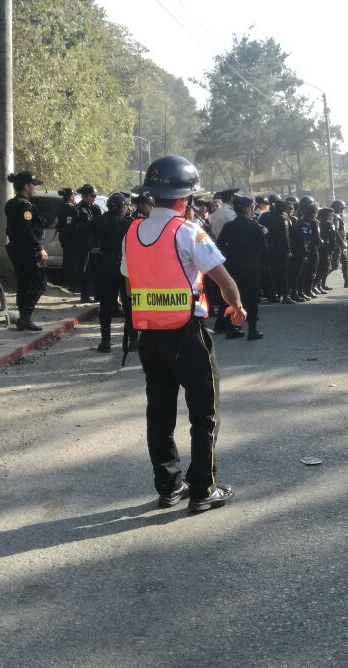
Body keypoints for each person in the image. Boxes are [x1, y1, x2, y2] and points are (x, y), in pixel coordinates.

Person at [122, 154, 246, 513]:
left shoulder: (132, 232)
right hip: (187, 335)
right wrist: (236, 306)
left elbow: (130, 287)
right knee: (203, 413)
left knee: (159, 413)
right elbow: (224, 280)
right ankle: (203, 488)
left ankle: (168, 486)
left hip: (149, 337)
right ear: (185, 199)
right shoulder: (188, 231)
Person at [217, 196, 269, 340]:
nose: (253, 209)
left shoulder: (229, 226)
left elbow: (219, 246)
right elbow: (264, 247)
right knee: (251, 299)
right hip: (250, 268)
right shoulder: (254, 226)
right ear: (246, 209)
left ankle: (231, 329)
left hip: (232, 268)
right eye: (251, 207)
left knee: (231, 298)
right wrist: (264, 265)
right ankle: (252, 330)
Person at [5, 171, 48, 332]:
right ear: (26, 186)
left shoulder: (11, 203)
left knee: (23, 283)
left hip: (16, 249)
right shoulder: (25, 206)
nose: (35, 188)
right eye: (33, 185)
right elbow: (28, 231)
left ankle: (23, 318)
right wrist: (40, 248)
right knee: (40, 283)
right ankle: (26, 317)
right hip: (28, 251)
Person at [92, 192, 135, 353]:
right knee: (129, 303)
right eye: (125, 206)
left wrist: (93, 248)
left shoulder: (98, 221)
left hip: (105, 265)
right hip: (124, 267)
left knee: (106, 305)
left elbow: (83, 234)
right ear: (122, 207)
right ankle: (133, 339)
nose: (126, 209)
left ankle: (106, 341)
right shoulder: (129, 224)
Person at [75, 183, 102, 303]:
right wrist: (88, 247)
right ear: (85, 196)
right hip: (84, 246)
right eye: (92, 195)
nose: (94, 198)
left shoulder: (95, 208)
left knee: (97, 271)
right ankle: (84, 295)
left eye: (95, 195)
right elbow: (77, 231)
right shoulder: (78, 210)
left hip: (96, 244)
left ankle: (98, 294)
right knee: (85, 272)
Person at [263, 200, 293, 303]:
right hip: (281, 249)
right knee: (283, 273)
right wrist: (288, 249)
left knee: (274, 272)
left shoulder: (269, 217)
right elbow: (286, 235)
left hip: (271, 248)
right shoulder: (283, 218)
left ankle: (275, 295)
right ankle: (285, 296)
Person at [55, 188, 81, 292]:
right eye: (74, 195)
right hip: (69, 237)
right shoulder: (69, 208)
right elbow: (70, 224)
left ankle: (66, 282)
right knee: (71, 261)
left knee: (67, 260)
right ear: (71, 196)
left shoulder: (61, 206)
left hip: (64, 236)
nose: (75, 197)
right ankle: (70, 283)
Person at [316, 207, 337, 292]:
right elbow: (331, 236)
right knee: (324, 267)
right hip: (325, 248)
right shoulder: (326, 223)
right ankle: (316, 284)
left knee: (326, 267)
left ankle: (322, 285)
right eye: (331, 213)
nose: (333, 215)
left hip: (328, 248)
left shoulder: (327, 223)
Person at [331, 201, 348, 288]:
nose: (342, 210)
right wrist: (342, 242)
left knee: (345, 262)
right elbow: (336, 231)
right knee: (334, 265)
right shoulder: (336, 217)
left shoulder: (339, 216)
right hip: (337, 244)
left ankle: (347, 281)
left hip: (341, 243)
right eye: (341, 208)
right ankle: (317, 283)